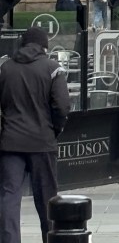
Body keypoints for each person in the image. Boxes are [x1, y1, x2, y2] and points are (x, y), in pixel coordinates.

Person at [0, 27, 71, 243]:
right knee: (47, 200)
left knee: (9, 197)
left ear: (23, 44)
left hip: (10, 143)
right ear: (44, 46)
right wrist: (54, 130)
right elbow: (62, 106)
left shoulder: (5, 69)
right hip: (42, 142)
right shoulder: (52, 69)